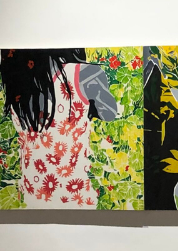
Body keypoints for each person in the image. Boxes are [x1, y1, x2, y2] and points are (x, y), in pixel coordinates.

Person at [0, 48, 117, 209]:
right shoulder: (85, 74)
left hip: (30, 199)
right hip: (76, 199)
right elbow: (109, 113)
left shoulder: (16, 83)